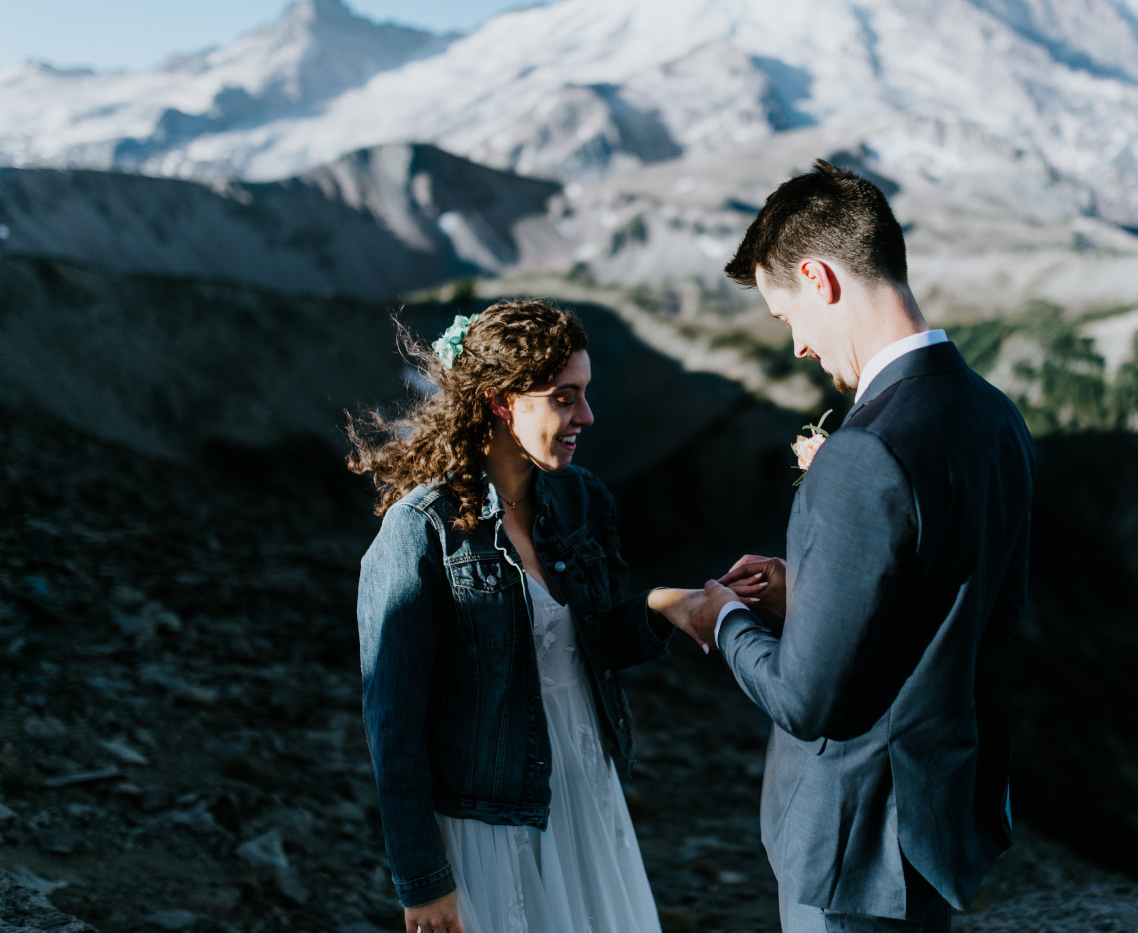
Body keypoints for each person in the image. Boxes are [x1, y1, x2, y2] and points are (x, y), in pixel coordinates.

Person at [675, 160, 1036, 933]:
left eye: (785, 317)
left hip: (855, 845)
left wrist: (722, 620)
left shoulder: (863, 449)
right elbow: (991, 617)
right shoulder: (996, 416)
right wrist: (812, 587)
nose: (799, 346)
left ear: (819, 277)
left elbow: (804, 700)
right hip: (938, 815)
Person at [348, 300, 760, 933]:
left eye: (585, 394)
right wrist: (423, 883)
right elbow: (392, 726)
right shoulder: (418, 532)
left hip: (587, 792)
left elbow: (587, 644)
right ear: (499, 401)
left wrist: (665, 610)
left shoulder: (581, 499)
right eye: (565, 398)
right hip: (490, 818)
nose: (587, 417)